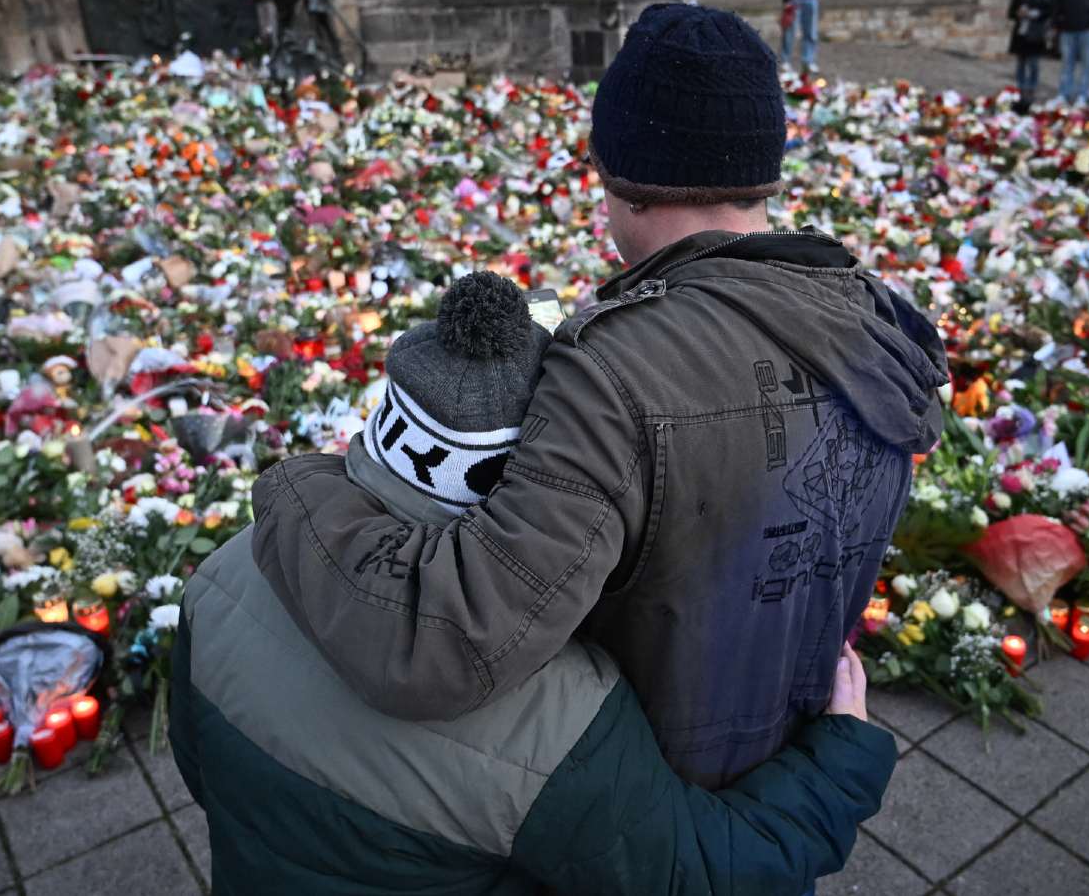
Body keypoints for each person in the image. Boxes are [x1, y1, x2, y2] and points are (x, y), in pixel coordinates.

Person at [250, 2, 947, 791]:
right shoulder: (877, 325)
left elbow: (442, 640)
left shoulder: (618, 374)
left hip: (642, 806)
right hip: (790, 770)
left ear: (624, 179)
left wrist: (297, 489)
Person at [170, 272, 898, 894]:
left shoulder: (226, 574)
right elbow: (705, 873)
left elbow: (204, 771)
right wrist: (842, 756)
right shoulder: (554, 714)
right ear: (529, 475)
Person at [1010, 0, 1055, 112]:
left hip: (1036, 34)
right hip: (1021, 34)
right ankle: (1021, 86)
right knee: (1021, 62)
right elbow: (1011, 12)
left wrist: (1035, 14)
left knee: (1033, 62)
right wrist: (1019, 13)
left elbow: (1050, 11)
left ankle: (1031, 86)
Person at [780, 0, 823, 75]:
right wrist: (786, 0)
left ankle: (808, 62)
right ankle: (785, 61)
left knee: (811, 32)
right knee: (789, 32)